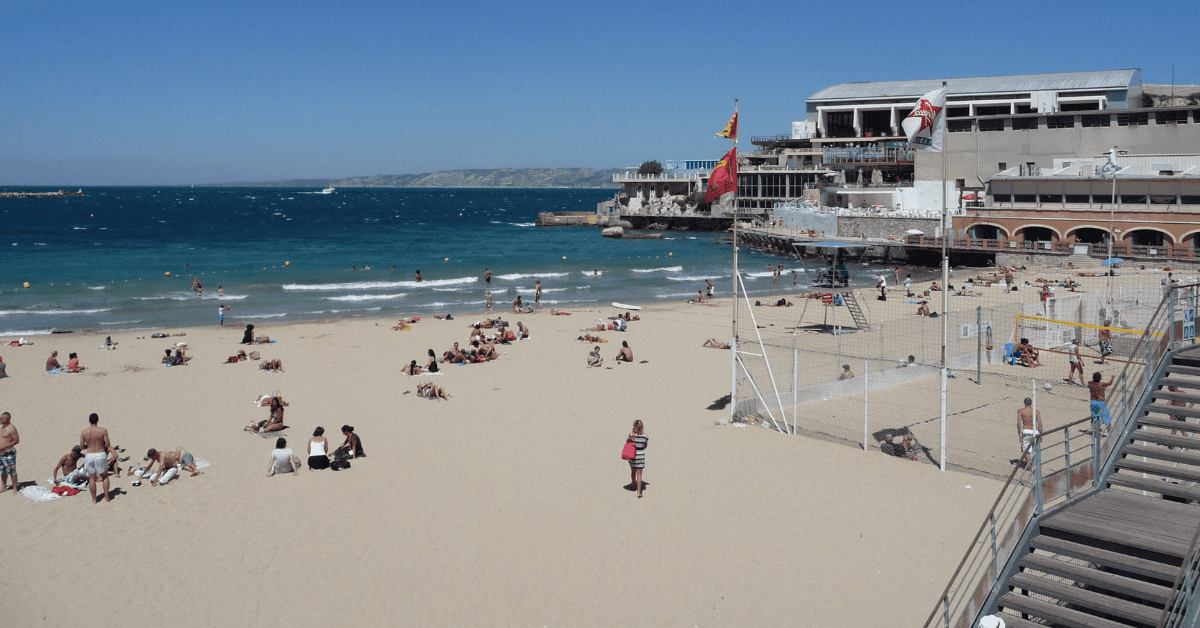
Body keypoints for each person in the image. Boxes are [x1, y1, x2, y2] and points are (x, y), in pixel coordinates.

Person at [80, 412, 111, 503]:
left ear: (89, 421)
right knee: (105, 476)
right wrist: (100, 446)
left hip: (89, 455)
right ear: (97, 420)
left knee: (91, 478)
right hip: (100, 454)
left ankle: (94, 499)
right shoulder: (103, 430)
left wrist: (89, 446)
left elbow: (81, 447)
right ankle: (106, 497)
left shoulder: (84, 432)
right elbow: (107, 443)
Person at [1017, 398, 1044, 468]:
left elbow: (1019, 424)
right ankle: (1036, 465)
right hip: (1035, 432)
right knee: (1036, 450)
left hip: (1026, 432)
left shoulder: (1020, 411)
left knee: (1026, 452)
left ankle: (1031, 466)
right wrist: (1041, 434)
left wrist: (1019, 434)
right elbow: (1040, 424)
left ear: (1024, 403)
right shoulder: (1036, 411)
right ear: (1031, 403)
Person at [626, 420, 648, 498]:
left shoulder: (631, 435)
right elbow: (645, 446)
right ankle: (639, 492)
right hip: (641, 455)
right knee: (639, 475)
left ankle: (633, 484)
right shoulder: (645, 436)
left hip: (633, 455)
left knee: (633, 471)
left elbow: (627, 443)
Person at [0, 412, 18, 496]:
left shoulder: (11, 428)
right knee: (2, 470)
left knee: (12, 471)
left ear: (8, 420)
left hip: (8, 452)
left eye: (2, 419)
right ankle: (3, 486)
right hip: (1, 453)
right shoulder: (2, 427)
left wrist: (4, 447)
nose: (0, 420)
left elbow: (16, 440)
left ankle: (15, 487)